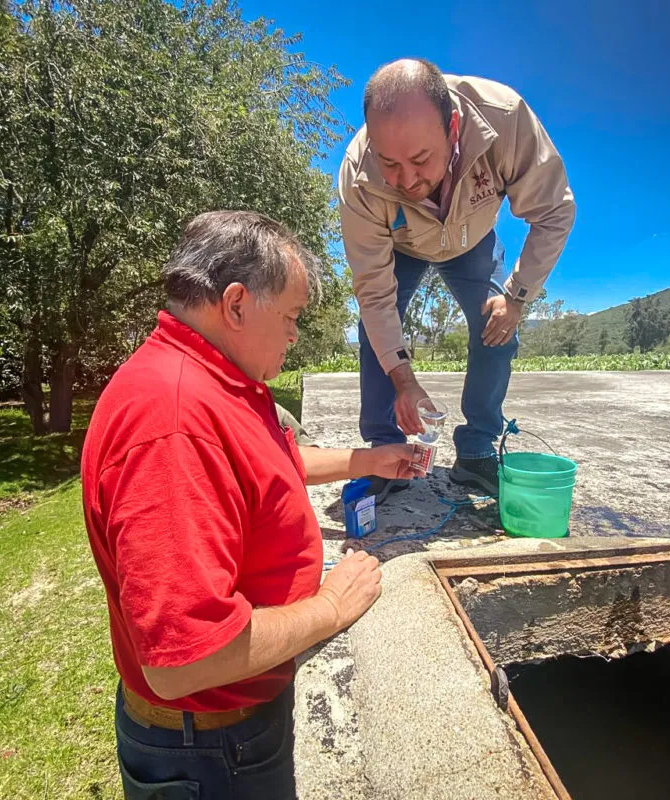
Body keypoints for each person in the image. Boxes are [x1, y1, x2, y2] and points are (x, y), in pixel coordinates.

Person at [81, 211, 417, 799]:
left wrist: (370, 460)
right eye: (289, 316)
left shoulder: (215, 374)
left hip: (227, 730)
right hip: (211, 752)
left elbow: (270, 466)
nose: (294, 336)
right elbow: (184, 661)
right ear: (236, 305)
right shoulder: (174, 423)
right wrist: (331, 608)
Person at [339, 59, 575, 500]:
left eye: (421, 159)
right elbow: (374, 293)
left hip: (473, 239)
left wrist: (518, 296)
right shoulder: (357, 176)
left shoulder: (504, 119)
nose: (407, 181)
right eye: (389, 163)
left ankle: (477, 448)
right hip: (401, 246)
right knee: (375, 331)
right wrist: (404, 380)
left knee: (497, 326)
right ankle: (385, 449)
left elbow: (555, 210)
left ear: (452, 128)